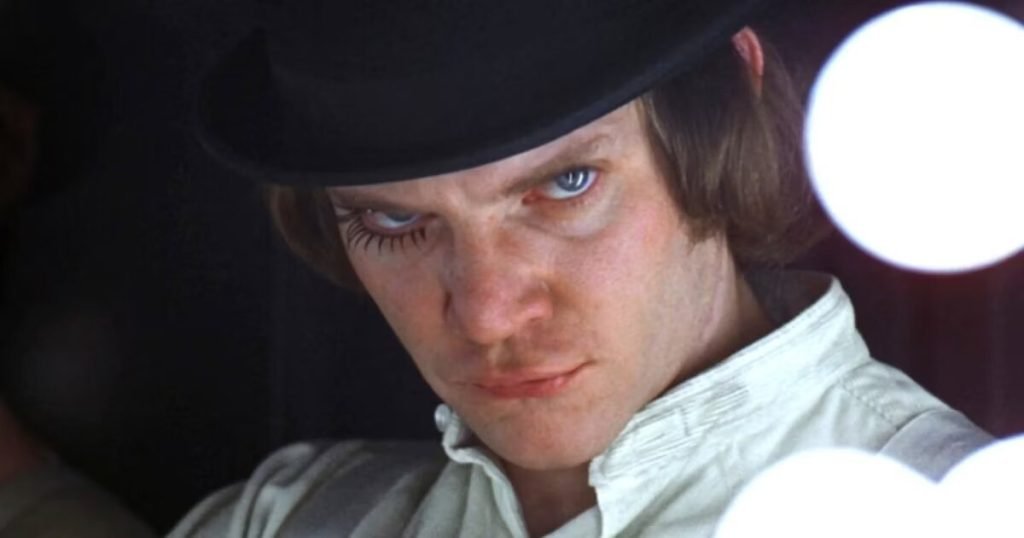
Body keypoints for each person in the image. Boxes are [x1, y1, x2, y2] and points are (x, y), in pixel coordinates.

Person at [2, 1, 994, 537]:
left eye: (565, 184)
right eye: (396, 220)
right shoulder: (298, 516)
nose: (485, 311)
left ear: (728, 101)